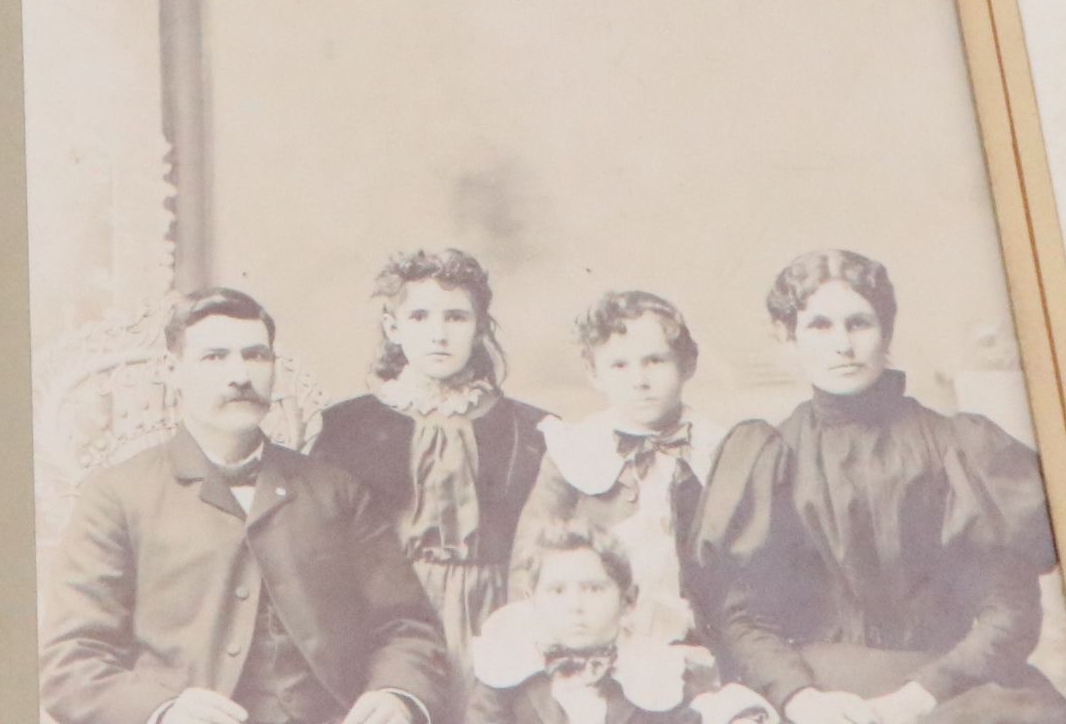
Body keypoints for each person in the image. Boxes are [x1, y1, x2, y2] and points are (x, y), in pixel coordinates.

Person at [690, 249, 1066, 724]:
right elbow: (743, 617)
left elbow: (1010, 613)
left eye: (859, 324)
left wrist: (916, 698)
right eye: (819, 326)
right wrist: (801, 698)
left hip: (947, 687)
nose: (843, 346)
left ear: (887, 332)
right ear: (788, 336)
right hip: (817, 688)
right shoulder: (772, 458)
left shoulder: (956, 448)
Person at [42, 287, 452, 724]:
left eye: (255, 356)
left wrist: (396, 695)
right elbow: (71, 660)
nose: (239, 375)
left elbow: (408, 627)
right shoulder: (117, 495)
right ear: (172, 370)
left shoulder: (336, 490)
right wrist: (162, 712)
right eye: (214, 357)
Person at [313, 248, 550, 688]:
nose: (438, 334)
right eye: (420, 317)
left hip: (497, 614)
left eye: (456, 317)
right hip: (387, 617)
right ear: (393, 328)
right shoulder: (347, 428)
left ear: (480, 328)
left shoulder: (531, 430)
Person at [516, 292, 730, 644]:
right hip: (600, 635)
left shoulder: (718, 447)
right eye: (619, 365)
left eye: (655, 361)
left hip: (700, 632)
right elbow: (530, 555)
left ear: (687, 364)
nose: (639, 381)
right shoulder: (576, 449)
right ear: (594, 373)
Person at [466, 523, 770, 724]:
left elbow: (700, 714)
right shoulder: (506, 673)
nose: (575, 606)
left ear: (628, 600)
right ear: (533, 600)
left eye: (594, 589)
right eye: (557, 591)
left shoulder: (653, 674)